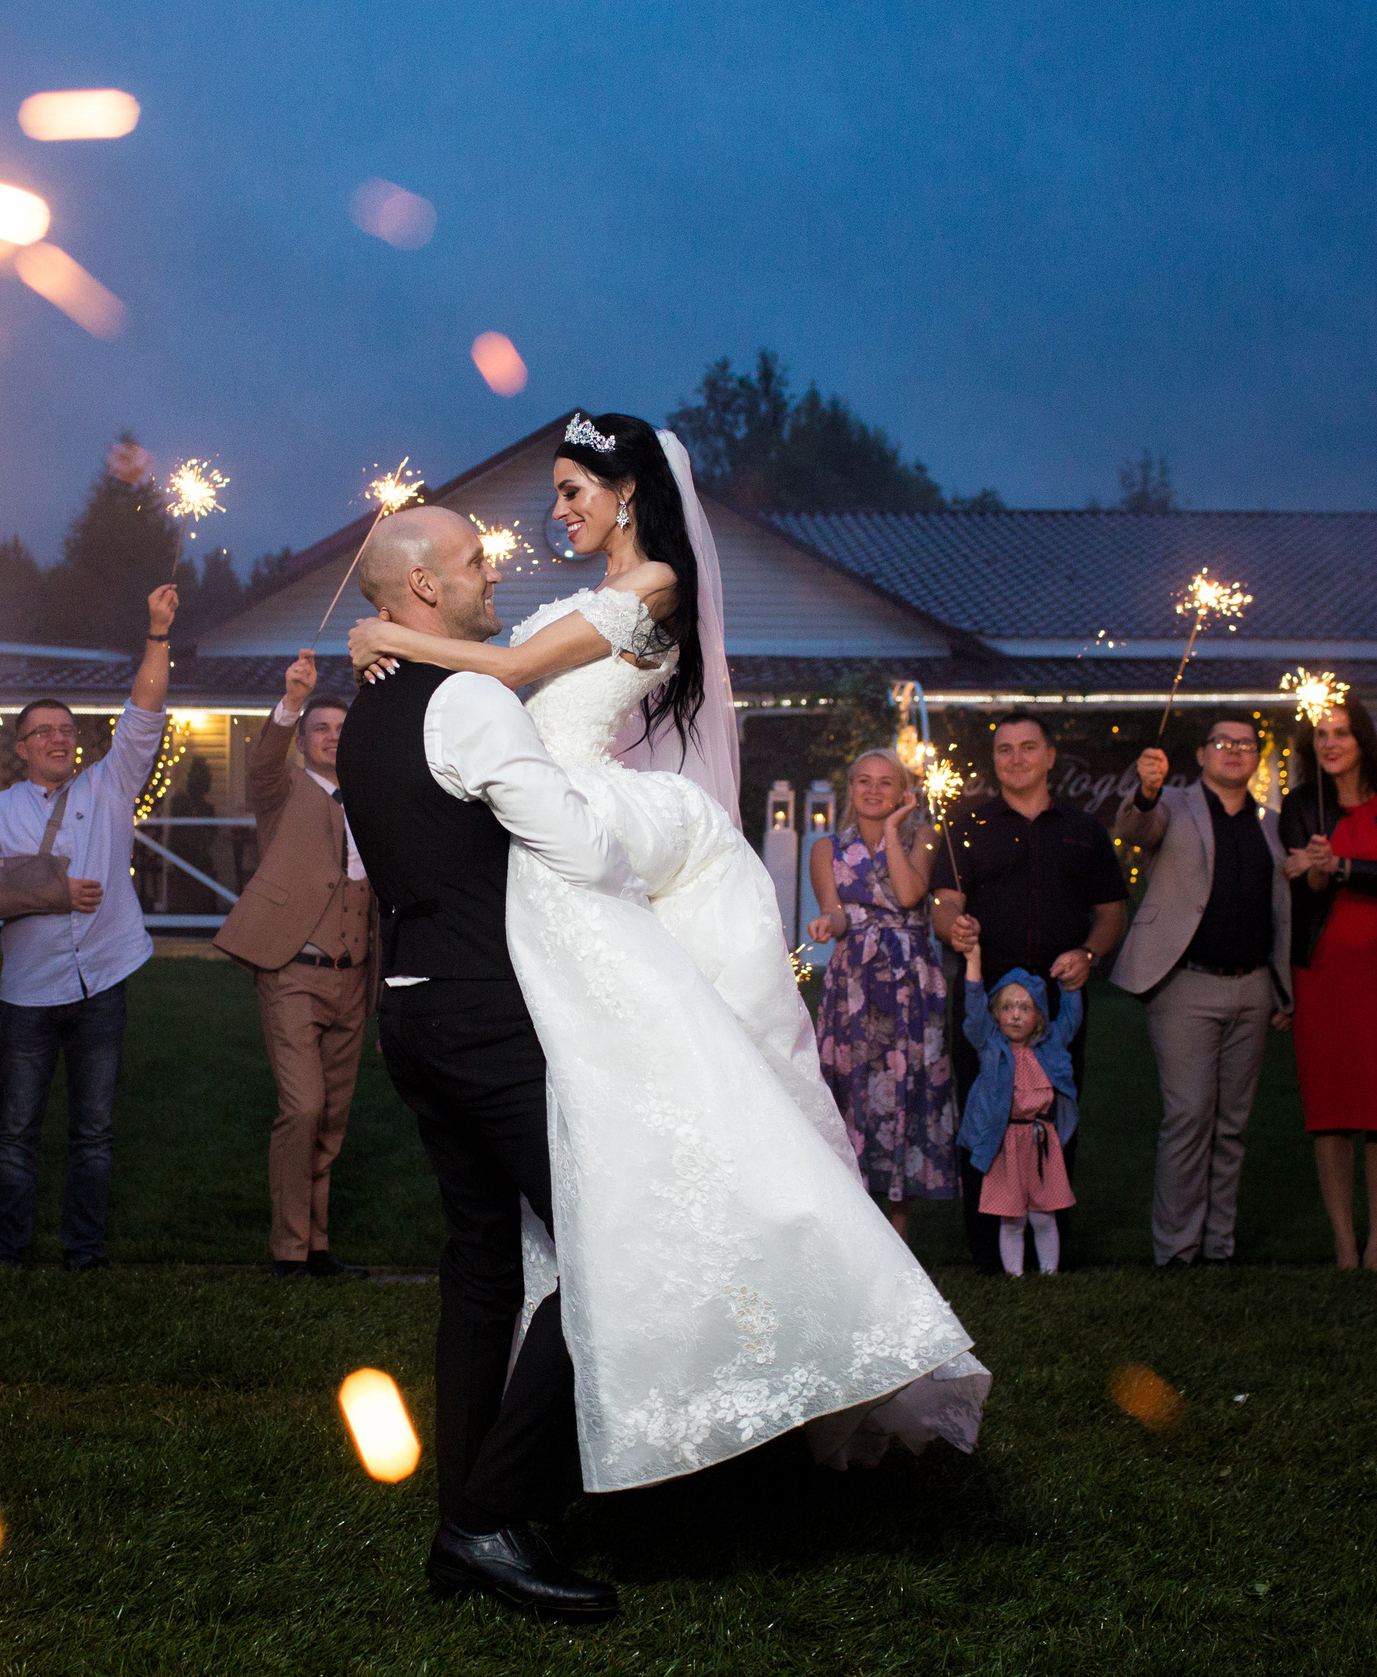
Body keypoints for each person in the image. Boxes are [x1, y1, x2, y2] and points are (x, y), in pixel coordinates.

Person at [345, 413, 987, 1615]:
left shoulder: (646, 588)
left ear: (633, 492)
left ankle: (488, 1513)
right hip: (512, 919)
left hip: (518, 897)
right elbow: (498, 699)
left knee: (534, 1244)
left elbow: (517, 679)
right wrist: (400, 633)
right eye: (548, 499)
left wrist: (392, 631)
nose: (550, 518)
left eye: (575, 489)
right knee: (582, 1239)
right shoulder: (464, 675)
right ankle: (487, 1516)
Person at [0, 585, 177, 1272]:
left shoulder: (110, 785)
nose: (61, 737)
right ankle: (8, 1250)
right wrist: (53, 891)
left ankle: (83, 1251)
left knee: (94, 1133)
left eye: (67, 729)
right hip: (27, 993)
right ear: (22, 747)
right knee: (17, 1131)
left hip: (102, 982)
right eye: (44, 731)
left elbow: (143, 709)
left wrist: (158, 631)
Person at [928, 713, 1127, 1272]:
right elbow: (945, 902)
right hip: (985, 998)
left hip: (1056, 1002)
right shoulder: (965, 824)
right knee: (985, 1114)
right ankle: (989, 1250)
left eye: (1026, 748)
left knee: (1055, 1112)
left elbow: (1112, 914)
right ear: (994, 760)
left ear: (1049, 756)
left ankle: (1051, 1245)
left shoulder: (1083, 829)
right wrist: (954, 927)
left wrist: (1089, 954)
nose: (1015, 758)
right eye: (1003, 750)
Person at [212, 649, 374, 1279]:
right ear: (305, 740)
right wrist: (292, 701)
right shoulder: (283, 791)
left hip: (353, 975)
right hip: (292, 970)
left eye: (342, 729)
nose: (333, 739)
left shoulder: (372, 801)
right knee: (302, 1107)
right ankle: (286, 1248)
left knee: (332, 1116)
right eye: (321, 730)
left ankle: (317, 1246)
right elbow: (261, 763)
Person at [1113, 719, 1293, 1268]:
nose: (1235, 752)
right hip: (1185, 983)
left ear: (1258, 758)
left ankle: (1218, 1246)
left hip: (1254, 986)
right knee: (1190, 1117)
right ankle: (1177, 1249)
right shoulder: (1172, 805)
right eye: (1223, 743)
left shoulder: (1271, 825)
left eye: (1245, 745)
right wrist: (1145, 791)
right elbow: (1136, 829)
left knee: (1233, 1124)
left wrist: (1283, 989)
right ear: (1202, 754)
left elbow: (1282, 909)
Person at [1278, 703, 1377, 1271]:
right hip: (1323, 974)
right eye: (1320, 734)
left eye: (1341, 733)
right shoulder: (1299, 806)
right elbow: (1307, 886)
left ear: (1363, 739)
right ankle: (1344, 1242)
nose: (1330, 743)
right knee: (1331, 1108)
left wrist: (1341, 867)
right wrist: (1319, 871)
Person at [806, 746, 951, 1237]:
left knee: (907, 1088)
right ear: (852, 789)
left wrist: (892, 832)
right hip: (855, 983)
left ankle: (901, 1231)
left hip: (910, 979)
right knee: (853, 1092)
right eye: (863, 781)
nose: (872, 790)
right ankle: (855, 1228)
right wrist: (829, 920)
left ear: (902, 791)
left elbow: (910, 896)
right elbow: (838, 910)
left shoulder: (923, 838)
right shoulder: (828, 847)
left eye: (885, 782)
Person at [957, 944, 1079, 1275]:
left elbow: (1071, 1018)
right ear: (996, 1012)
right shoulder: (990, 1044)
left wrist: (1071, 985)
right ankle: (1014, 1279)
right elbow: (973, 1007)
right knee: (1012, 1218)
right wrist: (974, 962)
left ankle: (1049, 1274)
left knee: (1044, 1215)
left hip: (1041, 1144)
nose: (1015, 1014)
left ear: (1039, 1015)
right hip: (1005, 1144)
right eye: (1007, 1007)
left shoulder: (1050, 1046)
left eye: (1025, 1008)